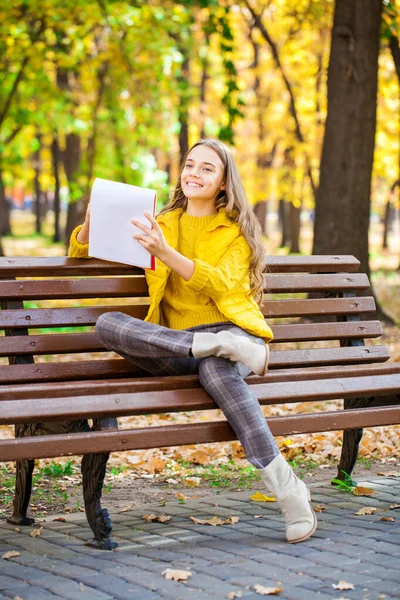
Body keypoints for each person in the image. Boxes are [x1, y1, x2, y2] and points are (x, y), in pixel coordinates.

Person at [68, 138, 317, 544]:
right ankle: (206, 348)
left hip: (231, 331)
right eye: (189, 165)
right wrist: (94, 225)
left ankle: (288, 492)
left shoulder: (233, 232)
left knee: (220, 373)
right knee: (108, 324)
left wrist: (165, 254)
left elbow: (221, 283)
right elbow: (80, 255)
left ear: (222, 183)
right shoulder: (158, 223)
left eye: (206, 168)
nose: (193, 174)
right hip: (179, 344)